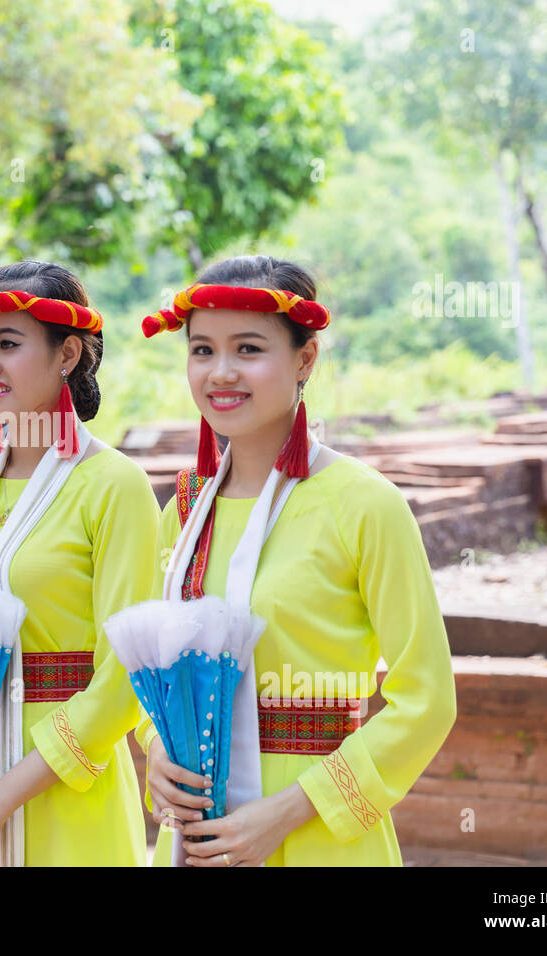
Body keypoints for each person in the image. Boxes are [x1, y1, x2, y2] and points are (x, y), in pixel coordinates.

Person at [136, 255, 457, 866]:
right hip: (195, 841)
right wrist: (156, 747)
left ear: (304, 359)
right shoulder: (183, 511)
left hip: (318, 841)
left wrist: (286, 812)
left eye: (248, 349)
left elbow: (427, 701)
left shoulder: (365, 505)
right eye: (201, 350)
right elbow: (154, 672)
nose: (220, 373)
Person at [0, 260, 159, 866]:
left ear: (67, 354)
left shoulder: (112, 484)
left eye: (8, 344)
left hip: (66, 793)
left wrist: (1, 802)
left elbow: (125, 678)